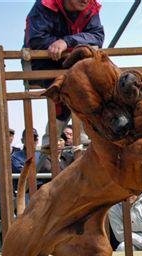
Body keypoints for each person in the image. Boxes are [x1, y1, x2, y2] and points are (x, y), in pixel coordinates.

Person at [23, 0, 104, 147]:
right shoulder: (45, 5)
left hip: (73, 62)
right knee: (66, 89)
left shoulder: (90, 7)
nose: (85, 0)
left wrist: (67, 42)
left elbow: (98, 37)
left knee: (92, 85)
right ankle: (53, 136)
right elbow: (36, 39)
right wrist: (65, 45)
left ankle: (81, 133)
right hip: (43, 62)